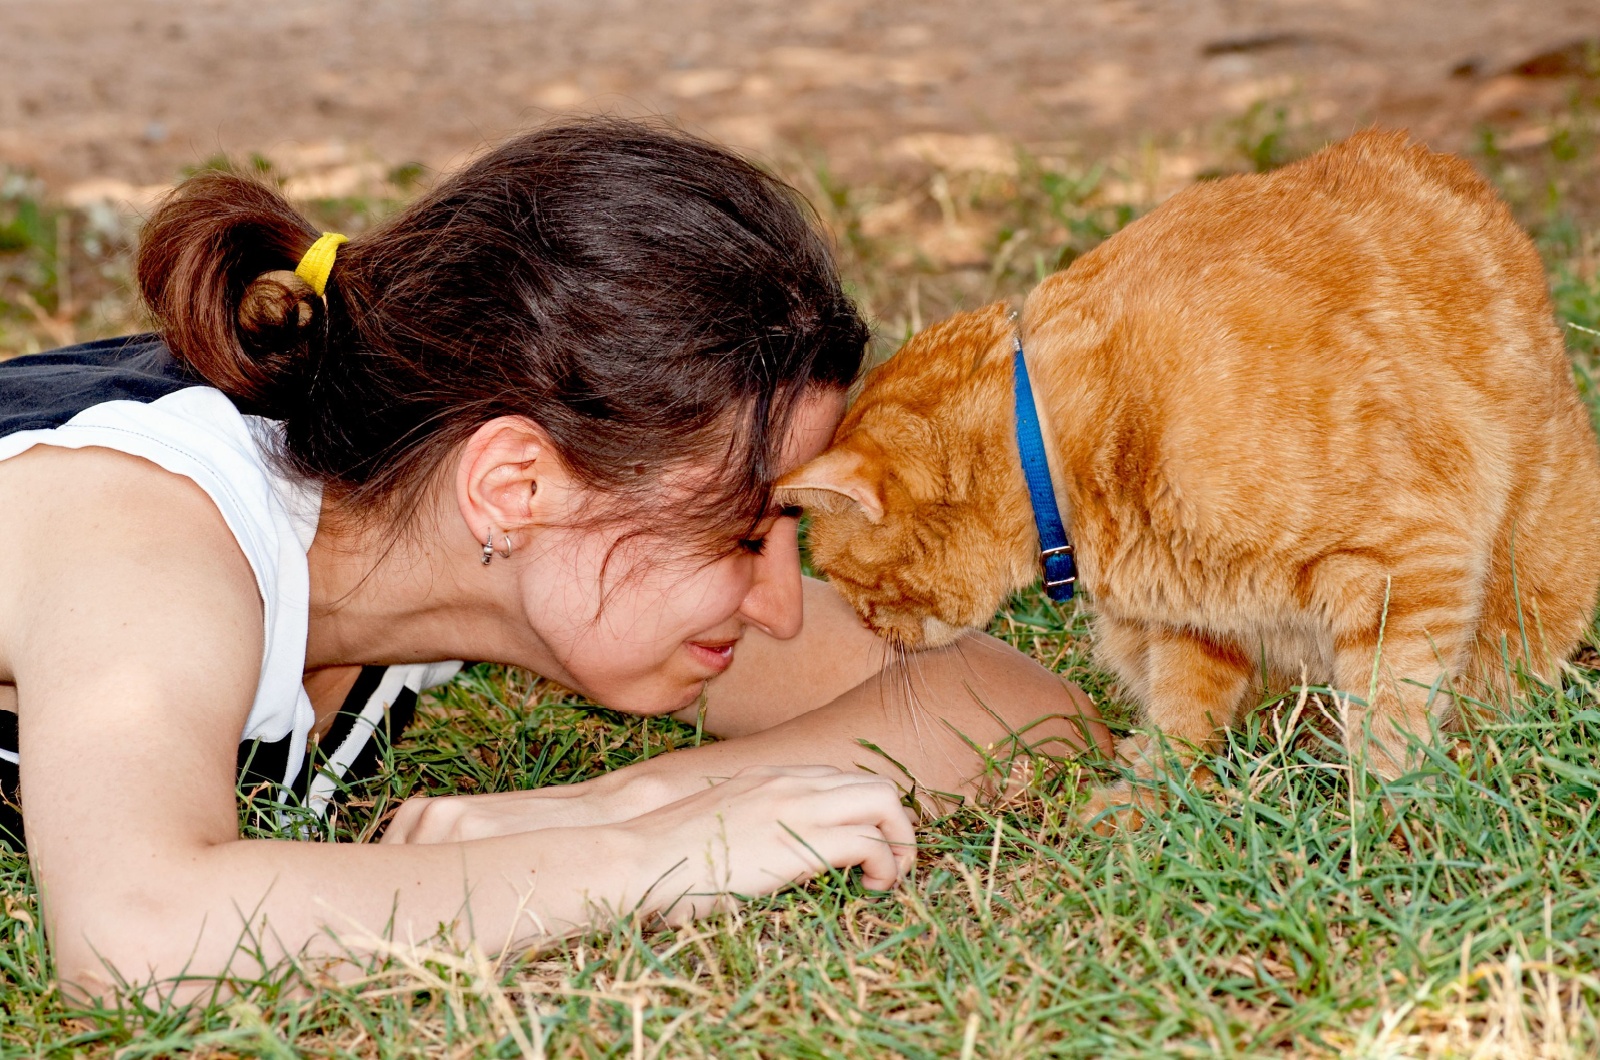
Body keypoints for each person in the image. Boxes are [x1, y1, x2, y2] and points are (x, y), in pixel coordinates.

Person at [0, 119, 1108, 997]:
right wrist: (646, 862)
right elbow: (138, 934)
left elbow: (1017, 711)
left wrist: (609, 807)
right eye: (738, 532)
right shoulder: (146, 522)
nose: (777, 605)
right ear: (516, 488)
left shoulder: (404, 516)